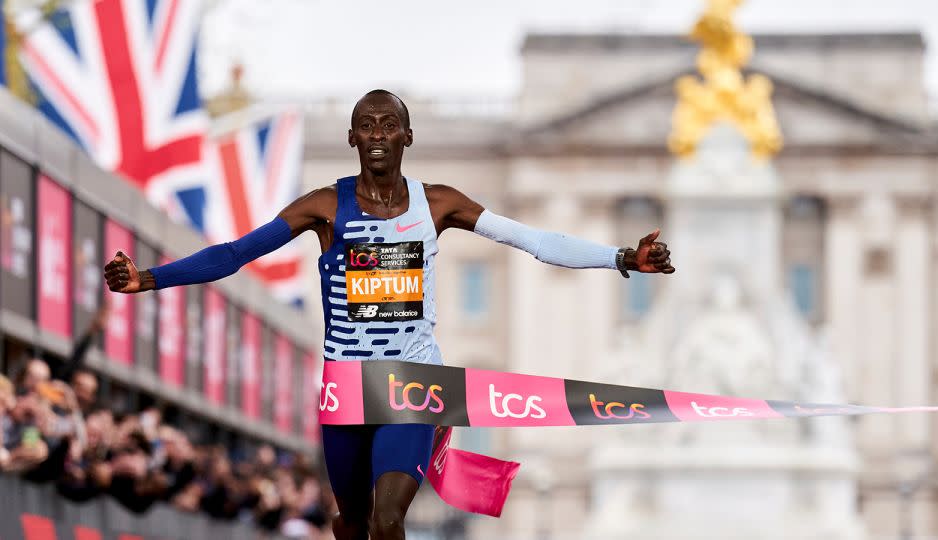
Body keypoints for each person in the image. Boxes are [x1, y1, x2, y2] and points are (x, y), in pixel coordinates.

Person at [104, 89, 675, 540]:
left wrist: (620, 257)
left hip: (414, 381)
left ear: (407, 135)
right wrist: (150, 278)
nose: (378, 135)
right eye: (367, 126)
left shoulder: (442, 202)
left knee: (388, 521)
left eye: (388, 125)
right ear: (352, 137)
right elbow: (235, 254)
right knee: (352, 523)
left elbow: (533, 239)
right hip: (348, 384)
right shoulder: (324, 206)